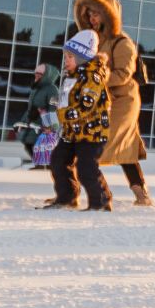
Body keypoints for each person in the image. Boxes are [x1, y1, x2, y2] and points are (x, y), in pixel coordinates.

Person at [73, 0, 153, 207]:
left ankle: (85, 192)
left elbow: (123, 74)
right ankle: (141, 194)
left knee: (100, 144)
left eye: (97, 13)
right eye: (89, 14)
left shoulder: (122, 42)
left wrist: (96, 76)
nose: (92, 19)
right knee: (125, 148)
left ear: (109, 15)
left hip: (122, 100)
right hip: (100, 99)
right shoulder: (95, 41)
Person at [43, 30, 111, 211]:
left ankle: (101, 201)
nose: (66, 60)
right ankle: (67, 197)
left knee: (86, 167)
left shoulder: (93, 77)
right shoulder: (71, 76)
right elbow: (67, 100)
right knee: (58, 160)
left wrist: (60, 114)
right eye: (65, 56)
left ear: (82, 58)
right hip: (72, 131)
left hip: (91, 133)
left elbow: (84, 107)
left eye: (70, 57)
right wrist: (56, 105)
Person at [20, 62, 59, 167]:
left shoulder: (52, 89)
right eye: (36, 73)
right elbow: (30, 107)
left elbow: (53, 108)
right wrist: (23, 121)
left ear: (46, 75)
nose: (36, 75)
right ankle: (40, 163)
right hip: (33, 122)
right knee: (28, 143)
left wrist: (51, 125)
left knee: (40, 144)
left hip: (44, 123)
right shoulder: (35, 88)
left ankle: (45, 164)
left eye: (40, 74)